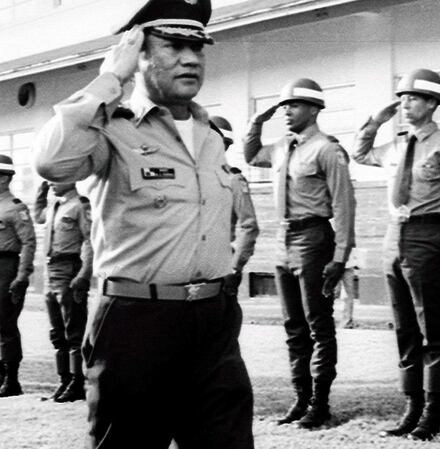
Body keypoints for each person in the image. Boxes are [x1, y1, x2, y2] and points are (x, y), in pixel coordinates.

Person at [34, 0, 255, 447]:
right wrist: (110, 77)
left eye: (198, 48)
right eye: (173, 45)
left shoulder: (212, 136)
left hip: (214, 319)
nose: (191, 58)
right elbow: (52, 164)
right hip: (138, 324)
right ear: (138, 54)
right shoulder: (110, 129)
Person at [353, 68, 440, 441]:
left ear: (433, 103)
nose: (406, 104)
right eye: (403, 98)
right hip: (395, 236)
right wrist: (378, 119)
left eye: (414, 98)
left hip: (427, 235)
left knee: (431, 327)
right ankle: (412, 405)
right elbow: (359, 153)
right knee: (404, 327)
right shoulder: (395, 145)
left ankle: (434, 410)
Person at [244, 78, 356, 429]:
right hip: (284, 239)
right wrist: (256, 122)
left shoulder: (327, 149)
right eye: (284, 106)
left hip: (315, 238)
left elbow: (345, 205)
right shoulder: (280, 147)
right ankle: (301, 398)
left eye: (293, 105)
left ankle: (320, 403)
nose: (286, 111)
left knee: (318, 324)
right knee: (293, 326)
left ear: (314, 109)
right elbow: (250, 155)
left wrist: (340, 257)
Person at [33, 181, 92, 402]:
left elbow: (89, 240)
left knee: (73, 329)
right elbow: (39, 216)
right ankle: (64, 379)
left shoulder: (80, 205)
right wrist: (41, 192)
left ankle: (78, 382)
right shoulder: (56, 206)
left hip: (69, 268)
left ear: (71, 178)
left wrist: (84, 274)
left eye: (56, 179)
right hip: (51, 269)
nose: (51, 182)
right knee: (57, 332)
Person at [209, 115, 260, 291]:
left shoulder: (234, 180)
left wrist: (234, 266)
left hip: (220, 262)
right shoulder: (191, 179)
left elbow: (249, 226)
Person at [0, 155, 35, 398]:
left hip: (6, 267)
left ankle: (11, 380)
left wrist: (22, 276)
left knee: (6, 324)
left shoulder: (16, 207)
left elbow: (29, 243)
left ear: (3, 178)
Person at [333, 246, 361, 328]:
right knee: (347, 294)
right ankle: (347, 320)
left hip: (340, 263)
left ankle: (346, 320)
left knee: (343, 293)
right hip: (345, 263)